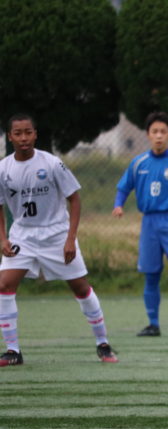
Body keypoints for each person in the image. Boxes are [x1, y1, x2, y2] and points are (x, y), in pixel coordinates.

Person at [0, 113, 117, 366]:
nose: (23, 138)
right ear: (9, 137)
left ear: (35, 134)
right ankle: (12, 351)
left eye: (28, 132)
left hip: (56, 234)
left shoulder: (52, 164)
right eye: (18, 133)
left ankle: (103, 344)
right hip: (22, 236)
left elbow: (74, 199)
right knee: (4, 285)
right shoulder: (3, 169)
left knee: (80, 287)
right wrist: (2, 238)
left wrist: (70, 239)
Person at [112, 112, 168, 337]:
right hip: (149, 223)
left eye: (163, 132)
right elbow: (124, 187)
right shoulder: (138, 163)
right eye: (155, 132)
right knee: (151, 274)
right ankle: (153, 324)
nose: (159, 136)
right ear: (148, 135)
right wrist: (118, 205)